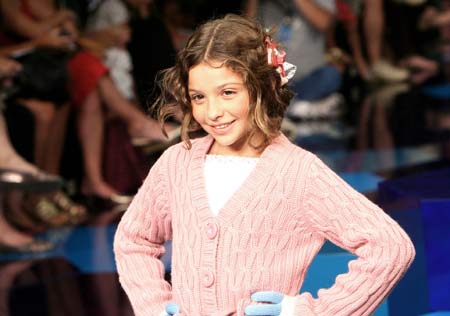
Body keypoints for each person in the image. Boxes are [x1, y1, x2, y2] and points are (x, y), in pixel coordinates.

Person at [114, 14, 415, 316]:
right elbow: (134, 239)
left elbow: (389, 247)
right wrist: (152, 307)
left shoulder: (298, 173)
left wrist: (311, 312)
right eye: (198, 97)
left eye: (228, 92)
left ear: (262, 86)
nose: (213, 111)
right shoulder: (176, 163)